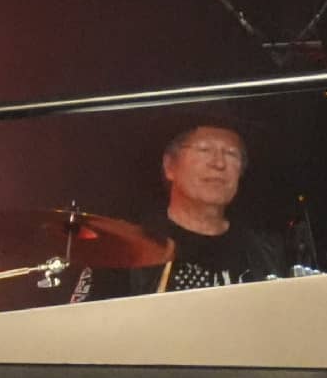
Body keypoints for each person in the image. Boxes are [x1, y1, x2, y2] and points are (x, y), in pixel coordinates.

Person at [71, 120, 286, 300]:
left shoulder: (265, 253)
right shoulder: (124, 248)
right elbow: (85, 331)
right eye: (204, 150)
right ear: (169, 166)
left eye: (231, 154)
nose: (219, 163)